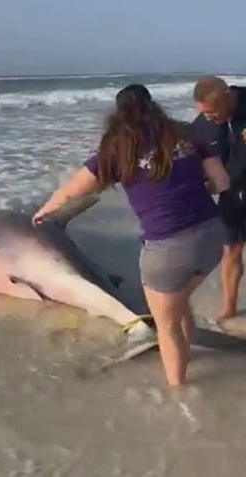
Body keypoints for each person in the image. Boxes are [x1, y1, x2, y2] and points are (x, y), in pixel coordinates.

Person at [32, 84, 230, 387]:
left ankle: (179, 392)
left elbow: (72, 190)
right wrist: (190, 194)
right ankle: (188, 349)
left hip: (167, 249)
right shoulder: (187, 133)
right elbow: (222, 182)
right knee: (179, 303)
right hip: (213, 236)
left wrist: (44, 211)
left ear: (118, 113)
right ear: (152, 105)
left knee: (166, 325)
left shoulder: (116, 148)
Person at [191, 76, 246, 324]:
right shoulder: (203, 125)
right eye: (204, 113)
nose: (209, 118)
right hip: (232, 196)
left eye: (212, 112)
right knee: (231, 251)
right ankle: (229, 308)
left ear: (227, 97)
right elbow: (188, 157)